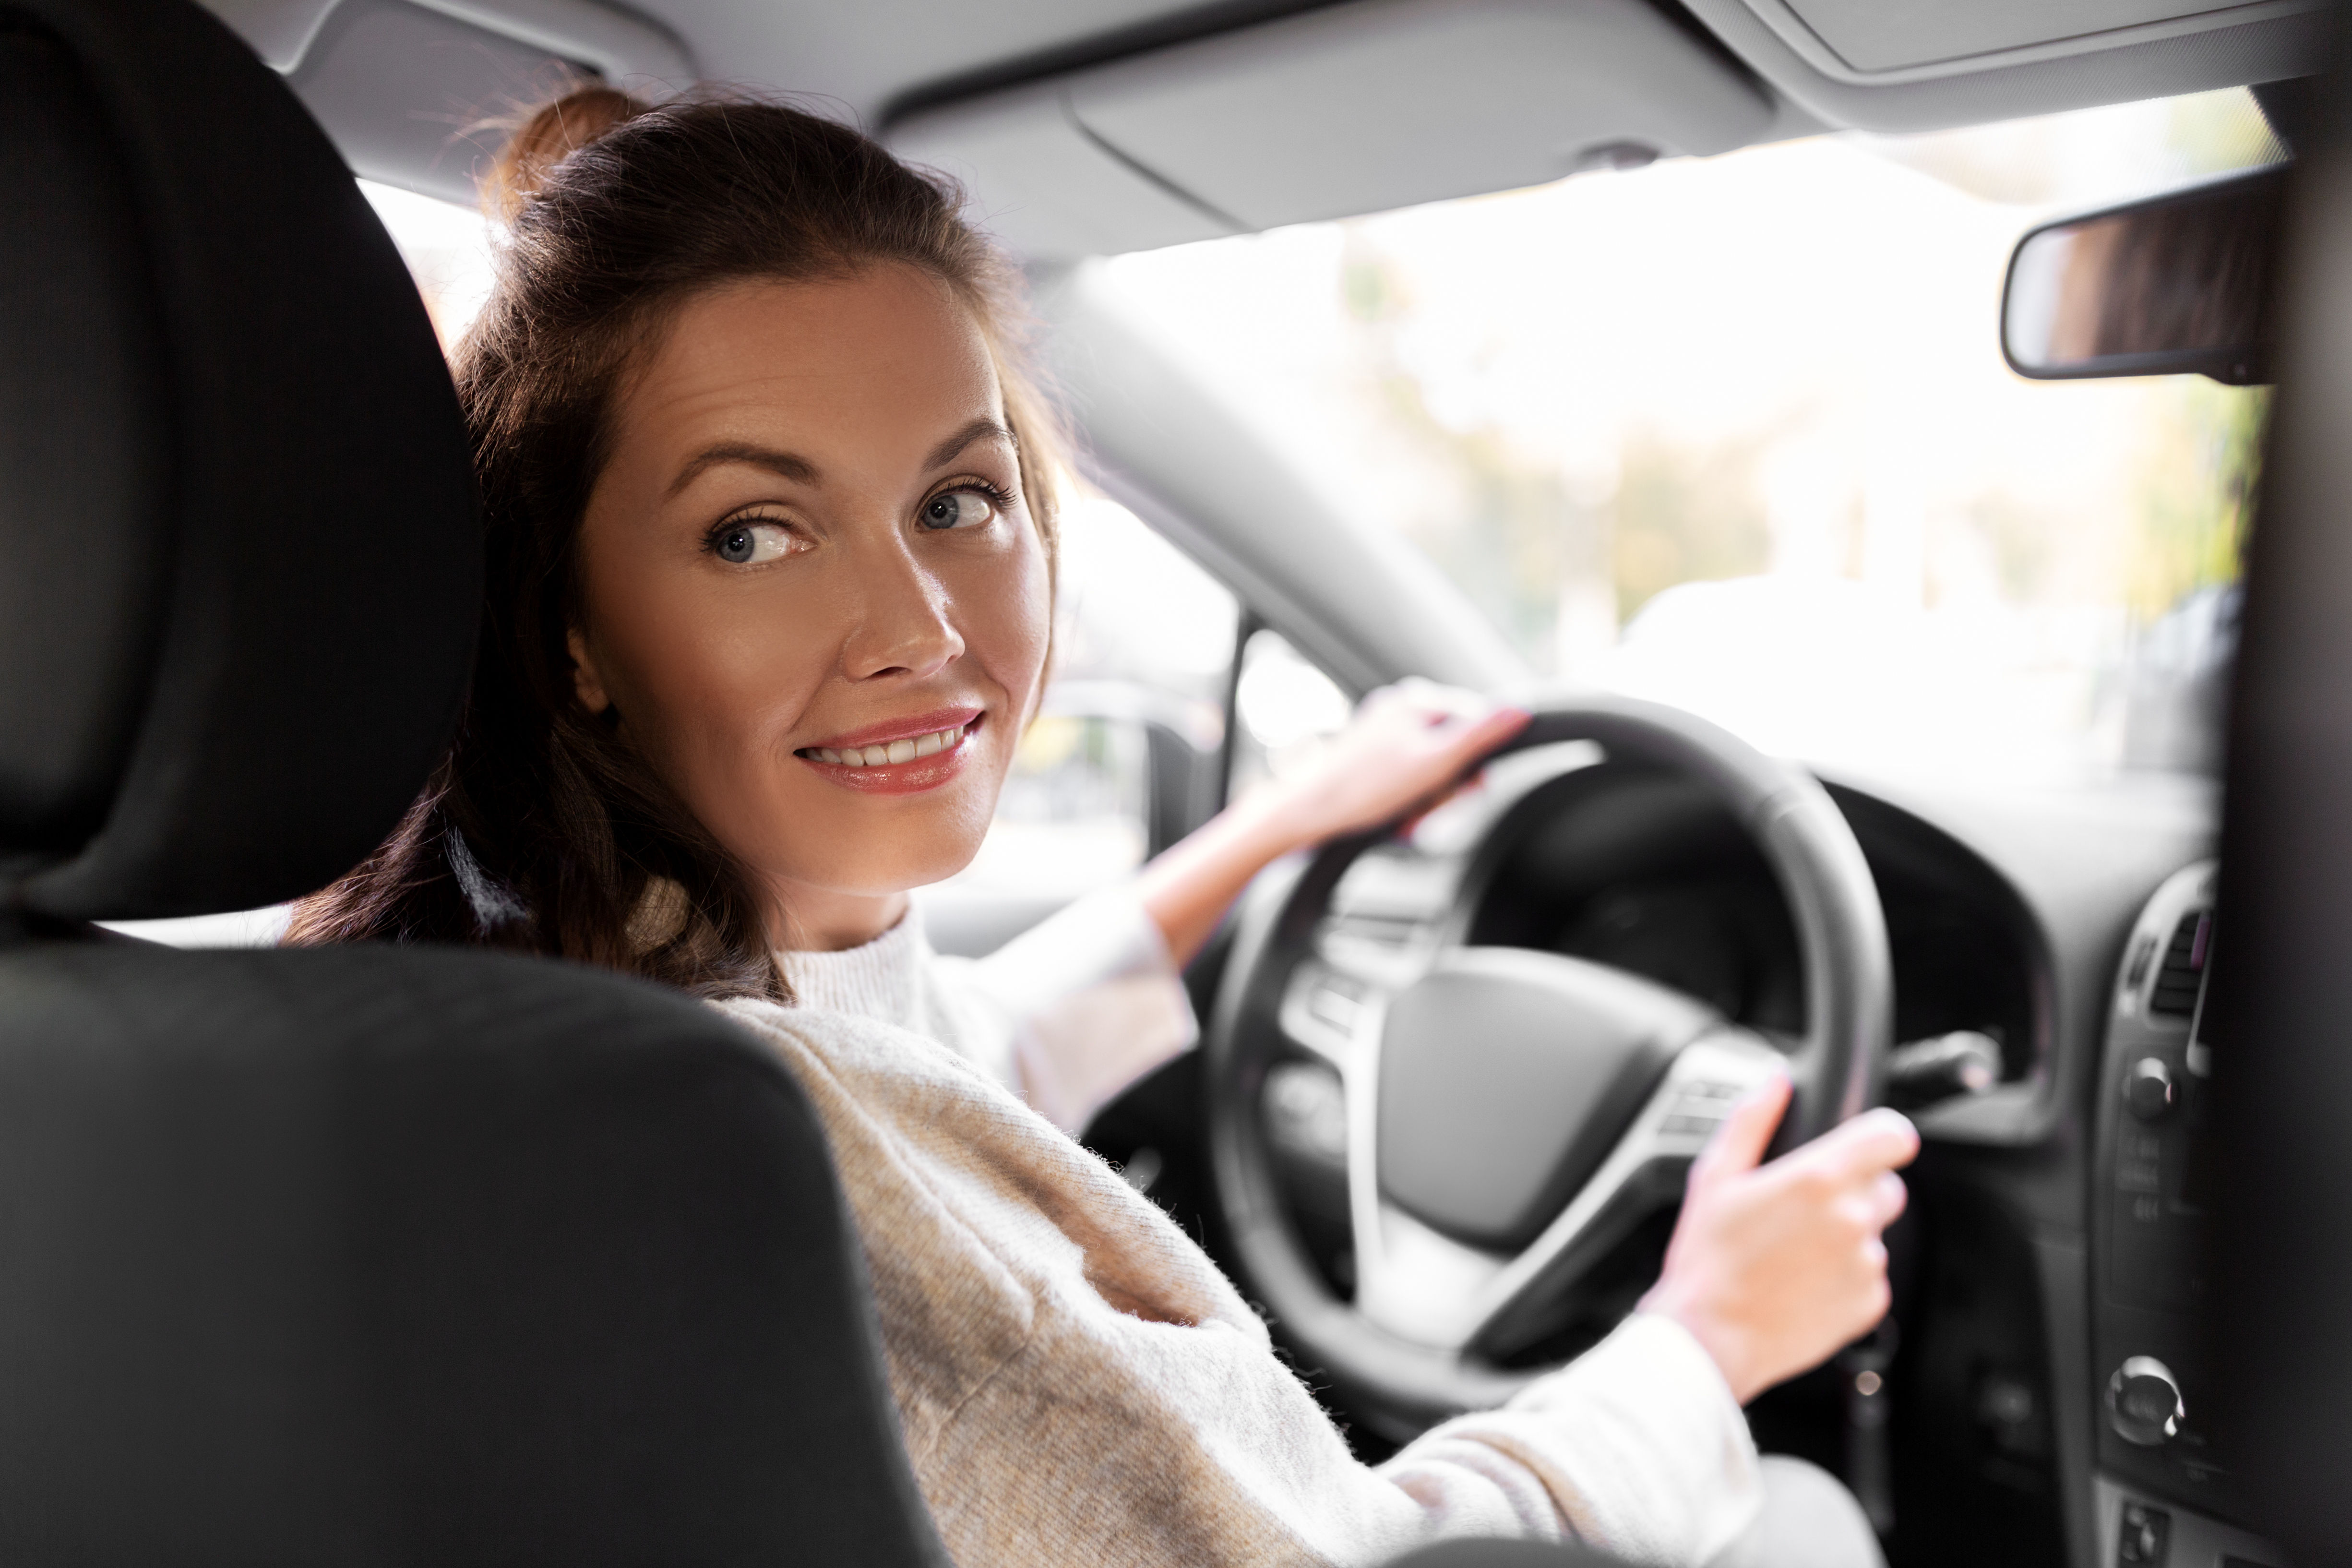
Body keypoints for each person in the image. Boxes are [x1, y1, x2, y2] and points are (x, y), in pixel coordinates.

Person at [290, 85, 1918, 1568]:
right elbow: (1358, 1553)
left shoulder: (530, 991)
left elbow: (948, 1060)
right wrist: (1702, 1340)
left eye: (958, 501)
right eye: (756, 531)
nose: (918, 624)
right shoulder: (802, 1188)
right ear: (567, 623)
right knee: (1801, 1513)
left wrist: (1278, 828)